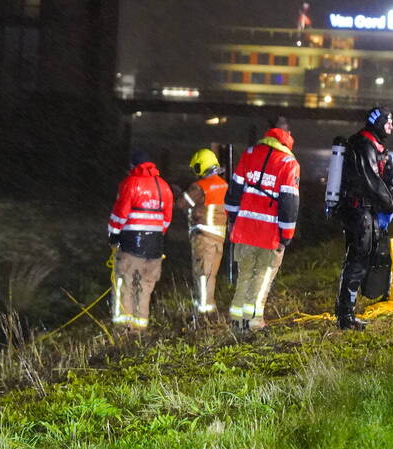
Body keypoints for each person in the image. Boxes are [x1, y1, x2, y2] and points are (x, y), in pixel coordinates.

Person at [224, 121, 300, 334]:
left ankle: (237, 321)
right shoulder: (288, 162)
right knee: (263, 276)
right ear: (287, 134)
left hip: (245, 228)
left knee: (245, 274)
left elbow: (234, 192)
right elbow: (289, 202)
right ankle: (254, 322)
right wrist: (286, 235)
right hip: (270, 234)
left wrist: (232, 219)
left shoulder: (249, 154)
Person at [333, 107, 393, 330]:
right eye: (387, 122)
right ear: (377, 123)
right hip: (358, 211)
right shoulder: (364, 144)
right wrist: (390, 203)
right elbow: (371, 181)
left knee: (363, 259)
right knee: (357, 260)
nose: (391, 126)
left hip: (365, 211)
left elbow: (378, 178)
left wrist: (391, 179)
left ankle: (346, 311)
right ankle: (346, 316)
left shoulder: (373, 144)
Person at [107, 150, 174, 333]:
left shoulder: (130, 183)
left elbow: (120, 214)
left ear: (132, 166)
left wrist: (113, 235)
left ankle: (122, 329)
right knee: (145, 287)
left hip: (131, 244)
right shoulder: (164, 187)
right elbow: (167, 219)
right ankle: (139, 329)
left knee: (124, 283)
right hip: (155, 246)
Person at [176, 148, 229, 319]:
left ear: (201, 166)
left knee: (202, 274)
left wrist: (177, 193)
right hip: (219, 237)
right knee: (210, 275)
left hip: (203, 236)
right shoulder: (224, 184)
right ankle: (209, 308)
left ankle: (203, 313)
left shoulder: (199, 187)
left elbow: (182, 204)